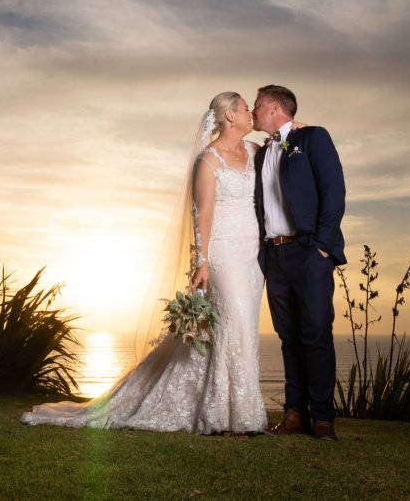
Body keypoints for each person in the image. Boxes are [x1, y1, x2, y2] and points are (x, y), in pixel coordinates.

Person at [21, 92, 270, 434]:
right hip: (223, 253)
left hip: (251, 253)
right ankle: (229, 417)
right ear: (229, 116)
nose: (250, 113)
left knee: (241, 326)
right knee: (234, 320)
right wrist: (202, 260)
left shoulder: (256, 152)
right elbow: (204, 214)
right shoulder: (209, 161)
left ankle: (237, 411)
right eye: (245, 108)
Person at [251, 84, 346, 442]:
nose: (253, 112)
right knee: (288, 337)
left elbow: (333, 192)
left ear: (275, 107)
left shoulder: (313, 139)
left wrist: (322, 246)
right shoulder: (260, 154)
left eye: (257, 105)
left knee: (317, 335)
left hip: (309, 252)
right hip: (274, 256)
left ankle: (323, 419)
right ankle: (295, 414)